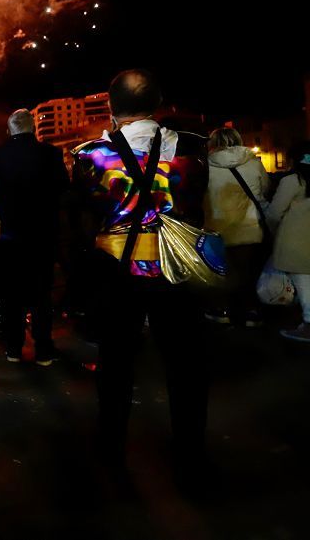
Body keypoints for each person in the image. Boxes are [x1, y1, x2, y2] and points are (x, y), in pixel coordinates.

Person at [71, 69, 210, 490]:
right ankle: (191, 457)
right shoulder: (192, 146)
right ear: (160, 101)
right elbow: (197, 208)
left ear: (111, 107)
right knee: (185, 366)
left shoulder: (90, 155)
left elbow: (81, 223)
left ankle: (111, 453)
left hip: (116, 272)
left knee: (115, 365)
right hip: (176, 267)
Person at [0, 109, 70, 365]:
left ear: (9, 129)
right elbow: (63, 189)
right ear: (33, 129)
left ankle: (13, 347)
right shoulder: (51, 154)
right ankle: (43, 349)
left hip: (9, 236)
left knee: (11, 292)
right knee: (41, 292)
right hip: (43, 235)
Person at [203, 127, 271, 327]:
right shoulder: (253, 163)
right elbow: (265, 190)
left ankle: (223, 310)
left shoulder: (206, 165)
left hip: (216, 226)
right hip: (249, 226)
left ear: (213, 143)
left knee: (221, 273)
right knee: (248, 272)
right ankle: (251, 311)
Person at [268, 143, 310, 342]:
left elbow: (275, 213)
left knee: (304, 285)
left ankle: (308, 325)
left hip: (297, 242)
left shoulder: (292, 181)